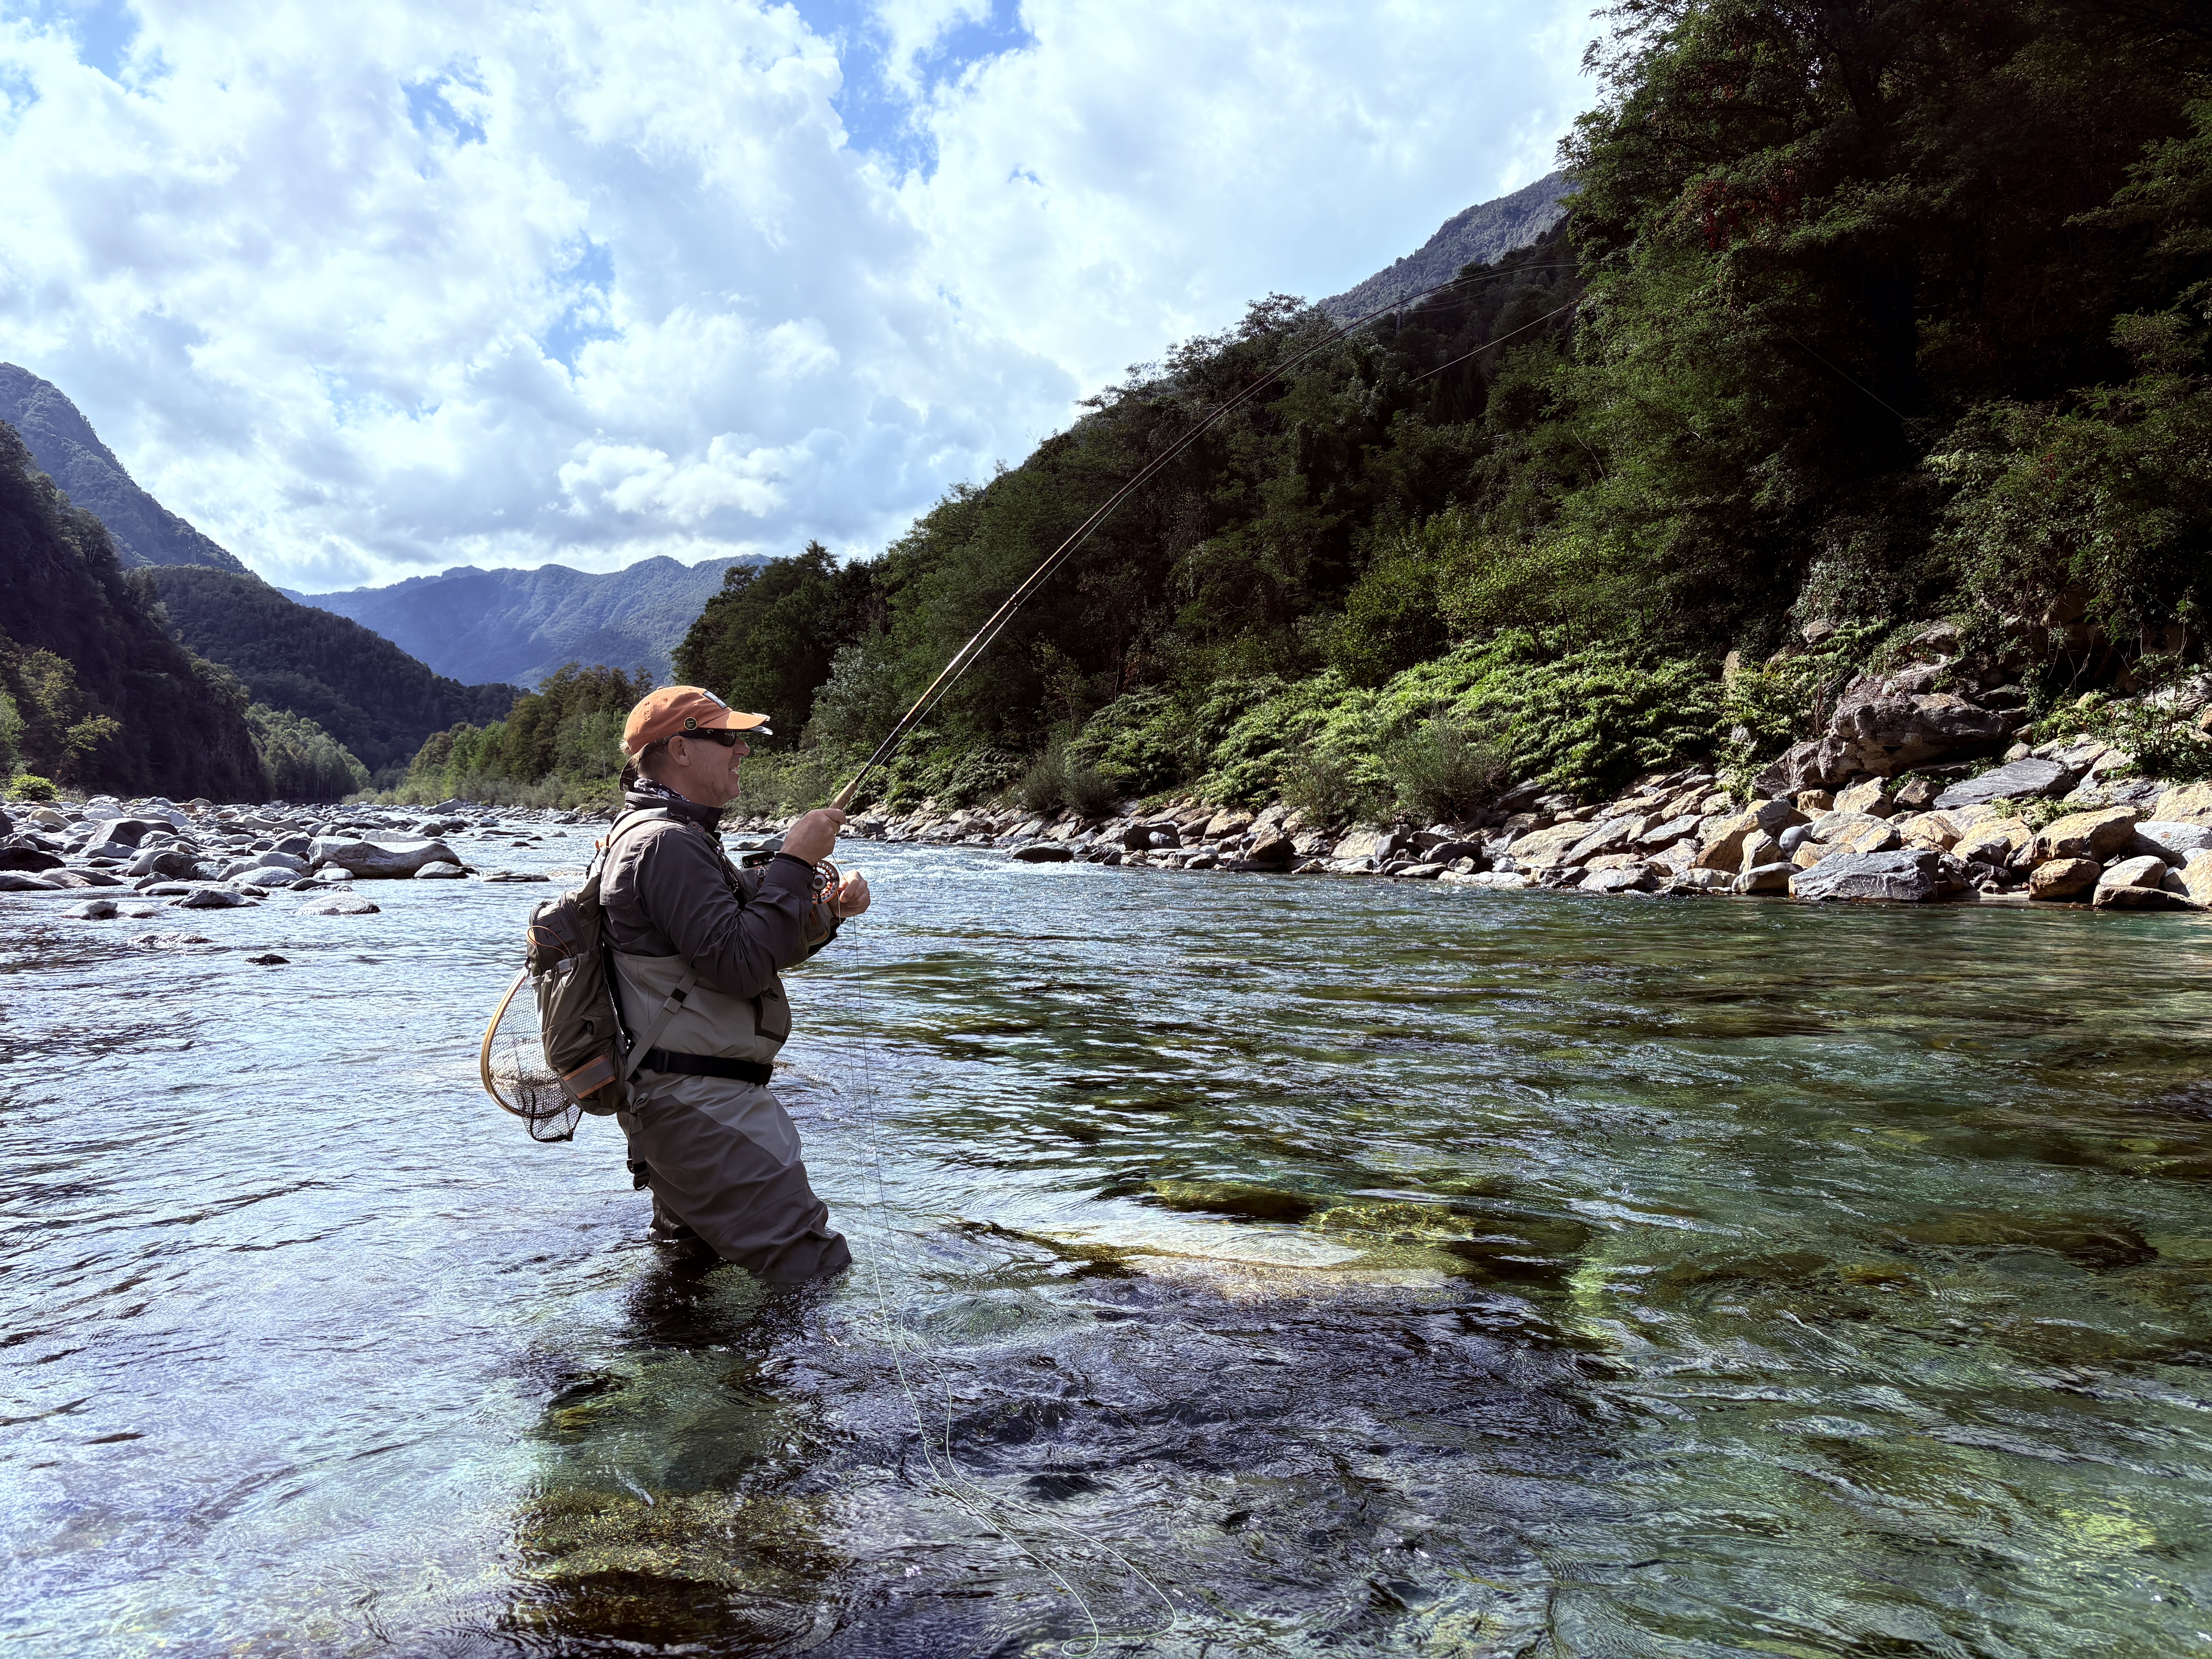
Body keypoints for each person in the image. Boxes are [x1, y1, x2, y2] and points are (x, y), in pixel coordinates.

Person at [599, 684, 870, 1283]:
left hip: (681, 1102)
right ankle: (819, 1381)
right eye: (726, 738)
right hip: (700, 1108)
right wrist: (796, 861)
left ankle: (676, 1375)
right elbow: (742, 965)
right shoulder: (665, 844)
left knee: (689, 1275)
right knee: (815, 1270)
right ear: (680, 750)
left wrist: (824, 913)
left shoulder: (673, 837)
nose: (741, 751)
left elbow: (729, 949)